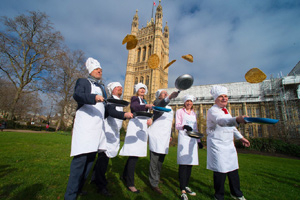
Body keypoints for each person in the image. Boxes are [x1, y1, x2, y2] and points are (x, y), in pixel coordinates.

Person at [64, 57, 107, 200]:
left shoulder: (102, 88)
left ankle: (79, 189)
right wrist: (94, 97)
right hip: (85, 127)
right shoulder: (83, 81)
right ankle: (70, 195)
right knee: (80, 162)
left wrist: (123, 114)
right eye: (96, 69)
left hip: (97, 130)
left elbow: (106, 108)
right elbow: (77, 95)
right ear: (90, 71)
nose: (100, 70)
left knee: (89, 162)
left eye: (100, 69)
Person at [206, 85, 250, 200]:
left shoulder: (226, 110)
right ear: (215, 99)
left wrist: (240, 137)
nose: (224, 98)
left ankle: (236, 193)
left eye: (226, 96)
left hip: (229, 145)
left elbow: (231, 127)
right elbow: (221, 121)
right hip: (218, 145)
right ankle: (219, 196)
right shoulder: (212, 110)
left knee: (233, 170)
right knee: (220, 171)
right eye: (221, 96)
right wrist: (237, 119)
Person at [92, 82, 133, 196]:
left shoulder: (119, 102)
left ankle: (95, 178)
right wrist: (124, 115)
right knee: (103, 159)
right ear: (112, 90)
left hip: (113, 133)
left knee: (102, 158)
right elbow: (111, 112)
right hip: (107, 132)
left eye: (121, 86)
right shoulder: (110, 100)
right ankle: (101, 185)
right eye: (117, 87)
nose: (120, 88)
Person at [119, 83, 153, 193]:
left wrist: (150, 119)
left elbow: (145, 113)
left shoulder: (145, 101)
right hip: (135, 128)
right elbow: (134, 107)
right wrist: (146, 107)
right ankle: (130, 183)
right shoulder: (134, 98)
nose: (142, 90)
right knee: (133, 154)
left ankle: (124, 176)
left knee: (134, 155)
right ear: (137, 90)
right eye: (140, 89)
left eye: (144, 89)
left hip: (142, 128)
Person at [148, 89, 178, 194]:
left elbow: (169, 123)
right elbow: (162, 104)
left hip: (165, 136)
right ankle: (153, 183)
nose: (165, 94)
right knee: (154, 160)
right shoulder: (157, 103)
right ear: (159, 96)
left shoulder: (170, 107)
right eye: (163, 93)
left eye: (166, 93)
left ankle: (157, 177)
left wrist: (170, 135)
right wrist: (168, 97)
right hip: (156, 134)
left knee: (161, 160)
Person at [175, 95, 199, 200]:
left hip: (192, 140)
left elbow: (196, 128)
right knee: (183, 163)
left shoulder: (194, 113)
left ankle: (186, 185)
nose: (189, 103)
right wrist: (184, 126)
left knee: (190, 164)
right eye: (187, 101)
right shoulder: (180, 111)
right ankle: (182, 189)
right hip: (184, 139)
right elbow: (177, 125)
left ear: (192, 103)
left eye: (190, 101)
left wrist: (199, 141)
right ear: (184, 103)